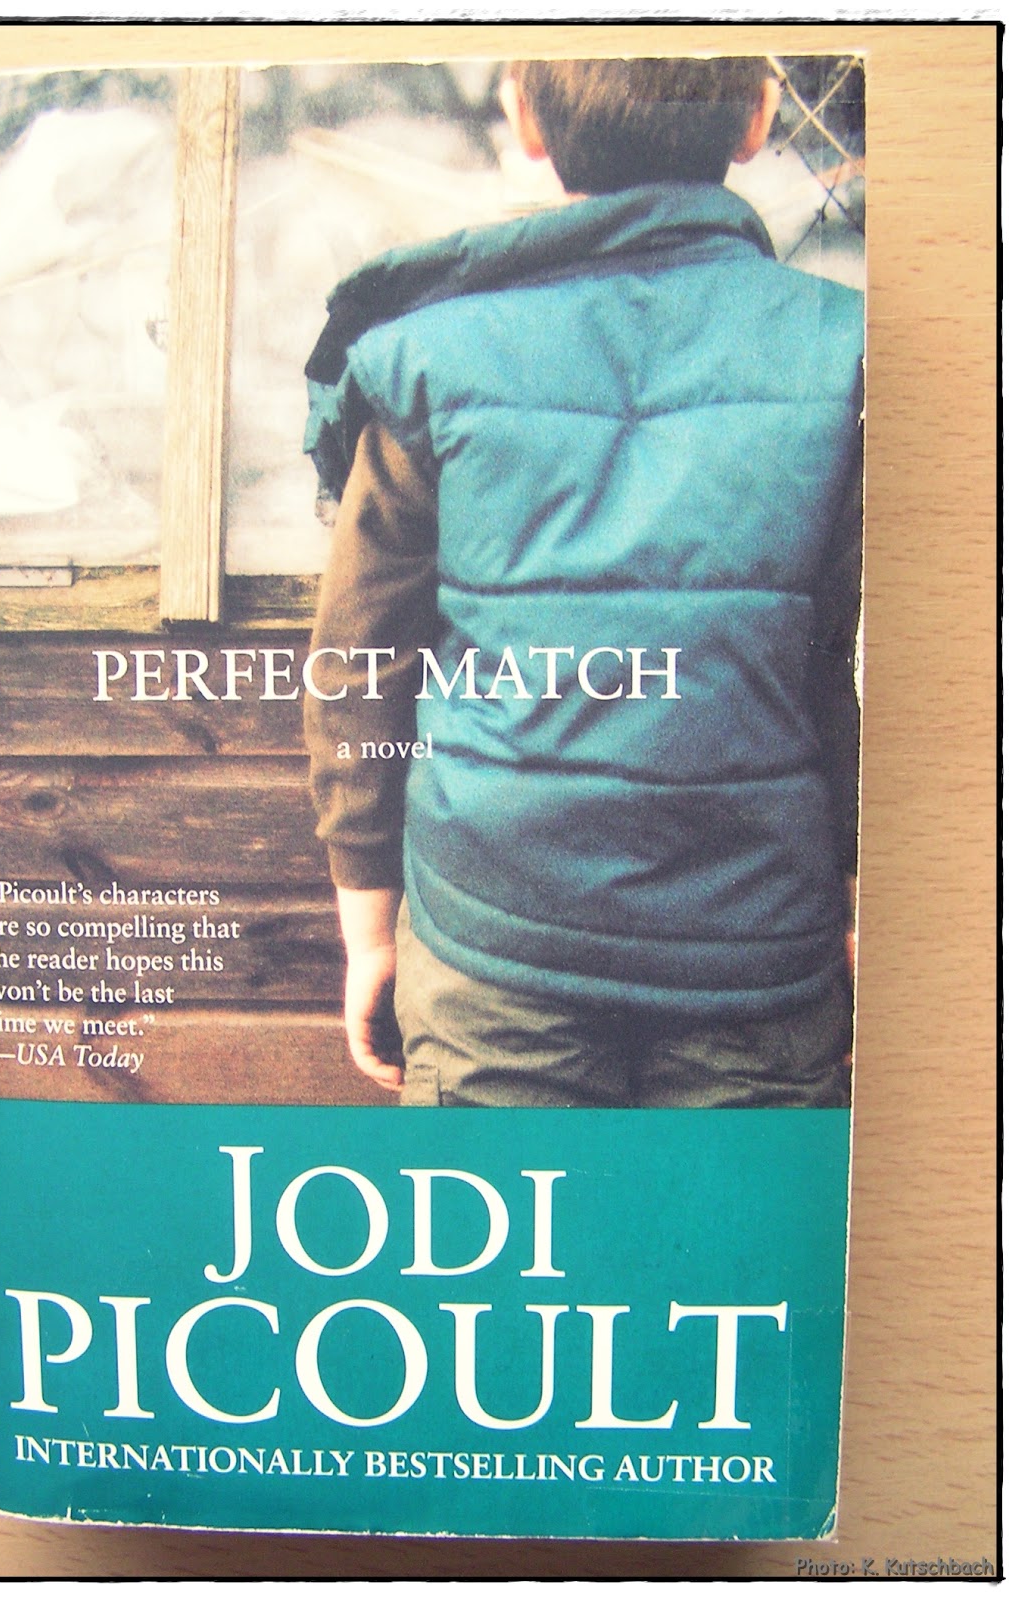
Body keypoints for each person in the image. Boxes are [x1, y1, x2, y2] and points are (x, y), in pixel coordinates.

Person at [303, 57, 864, 1109]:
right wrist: (857, 894)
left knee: (504, 1221)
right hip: (753, 943)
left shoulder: (426, 355)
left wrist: (368, 934)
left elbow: (361, 661)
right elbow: (861, 667)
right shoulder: (849, 352)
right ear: (758, 117)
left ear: (524, 117)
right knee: (734, 1222)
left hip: (493, 944)